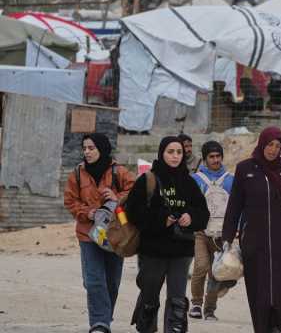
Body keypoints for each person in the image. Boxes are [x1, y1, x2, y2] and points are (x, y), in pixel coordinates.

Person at [222, 127, 281, 333]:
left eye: (277, 145)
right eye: (270, 145)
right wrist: (227, 237)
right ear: (262, 143)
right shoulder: (245, 168)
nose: (273, 150)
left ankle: (279, 323)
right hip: (253, 237)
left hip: (280, 236)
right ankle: (262, 327)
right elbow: (234, 206)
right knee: (258, 286)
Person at [126, 136, 209, 333]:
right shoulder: (148, 180)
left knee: (177, 298)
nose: (175, 156)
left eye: (179, 152)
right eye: (170, 152)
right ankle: (146, 326)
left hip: (182, 248)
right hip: (153, 249)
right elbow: (133, 212)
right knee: (150, 294)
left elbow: (203, 213)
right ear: (162, 153)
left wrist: (191, 217)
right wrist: (162, 220)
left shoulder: (189, 182)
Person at [64, 133, 135, 333]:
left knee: (111, 281)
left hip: (115, 234)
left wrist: (117, 196)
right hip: (88, 234)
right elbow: (70, 201)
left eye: (91, 148)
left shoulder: (118, 172)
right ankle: (100, 323)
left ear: (102, 149)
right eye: (84, 148)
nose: (87, 152)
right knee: (94, 280)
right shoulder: (76, 175)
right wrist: (88, 212)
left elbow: (136, 191)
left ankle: (104, 316)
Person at [188, 141, 234, 321]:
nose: (215, 160)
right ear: (205, 159)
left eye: (218, 156)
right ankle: (196, 304)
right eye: (211, 157)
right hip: (201, 232)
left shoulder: (231, 180)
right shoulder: (196, 180)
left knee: (217, 272)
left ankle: (210, 310)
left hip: (223, 235)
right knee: (200, 267)